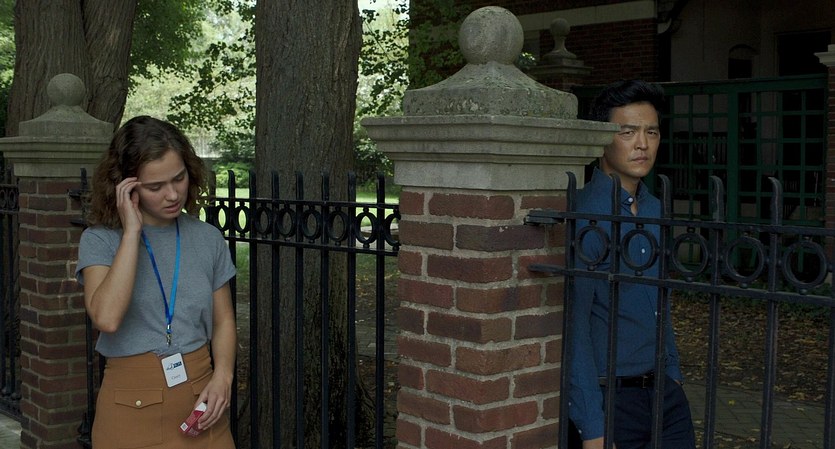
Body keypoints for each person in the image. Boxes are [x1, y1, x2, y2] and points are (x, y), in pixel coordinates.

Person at [76, 115, 237, 448]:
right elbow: (106, 318)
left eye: (179, 178)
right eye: (155, 187)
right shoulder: (100, 240)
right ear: (126, 186)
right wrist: (131, 233)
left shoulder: (207, 238)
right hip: (129, 409)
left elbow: (223, 320)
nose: (172, 194)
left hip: (201, 404)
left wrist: (224, 377)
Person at [568, 80, 696, 449]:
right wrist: (593, 426)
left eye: (651, 132)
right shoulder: (586, 215)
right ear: (602, 139)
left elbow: (661, 303)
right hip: (612, 399)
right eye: (627, 132)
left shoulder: (655, 208)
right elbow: (575, 328)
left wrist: (673, 374)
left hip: (665, 395)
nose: (642, 144)